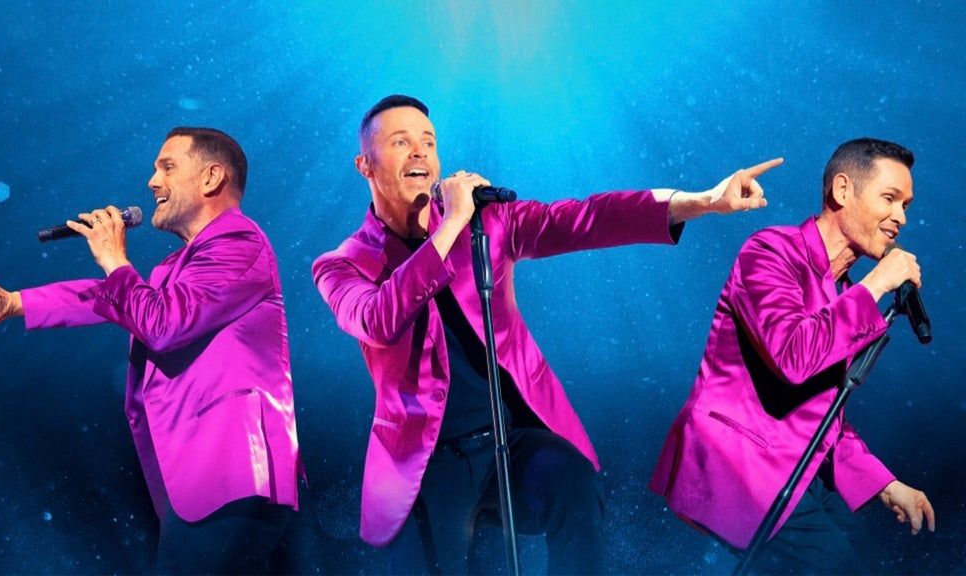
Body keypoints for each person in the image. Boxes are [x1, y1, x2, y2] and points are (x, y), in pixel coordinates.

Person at [312, 94, 780, 574]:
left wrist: (701, 202)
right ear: (365, 165)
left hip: (510, 440)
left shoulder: (486, 224)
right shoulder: (343, 264)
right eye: (400, 141)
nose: (419, 152)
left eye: (428, 142)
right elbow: (380, 319)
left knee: (574, 485)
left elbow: (587, 219)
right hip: (427, 465)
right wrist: (449, 224)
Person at [0, 127, 300, 574]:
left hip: (230, 468)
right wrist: (16, 302)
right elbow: (111, 299)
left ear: (211, 177)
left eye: (167, 167)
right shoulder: (180, 266)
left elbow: (163, 324)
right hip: (202, 478)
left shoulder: (239, 243)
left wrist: (115, 260)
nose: (152, 181)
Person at [649, 138, 936, 574]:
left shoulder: (843, 293)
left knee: (876, 561)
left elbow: (824, 415)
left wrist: (884, 484)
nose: (902, 217)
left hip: (794, 470)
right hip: (740, 462)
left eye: (906, 205)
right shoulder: (771, 253)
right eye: (890, 198)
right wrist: (875, 285)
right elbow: (793, 356)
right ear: (843, 190)